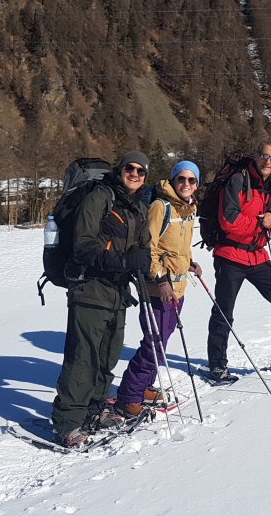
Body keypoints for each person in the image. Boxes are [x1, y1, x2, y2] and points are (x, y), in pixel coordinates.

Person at [51, 151, 152, 448]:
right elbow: (83, 246)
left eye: (141, 171)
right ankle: (67, 422)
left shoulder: (138, 208)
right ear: (120, 169)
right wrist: (122, 261)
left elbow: (143, 247)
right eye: (130, 168)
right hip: (89, 288)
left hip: (118, 293)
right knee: (83, 358)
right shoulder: (99, 198)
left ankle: (95, 409)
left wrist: (143, 262)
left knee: (107, 356)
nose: (134, 174)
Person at [205, 140, 271, 383]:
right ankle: (217, 366)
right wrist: (259, 222)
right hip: (230, 254)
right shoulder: (238, 180)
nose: (268, 161)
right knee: (224, 310)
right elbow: (228, 220)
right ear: (256, 155)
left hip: (258, 255)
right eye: (265, 155)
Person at [114, 161, 203, 417]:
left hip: (178, 286)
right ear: (173, 180)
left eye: (191, 180)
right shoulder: (160, 207)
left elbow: (177, 247)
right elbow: (148, 249)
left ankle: (144, 387)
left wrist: (190, 263)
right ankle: (128, 397)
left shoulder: (188, 207)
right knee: (154, 343)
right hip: (158, 288)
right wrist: (161, 281)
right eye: (181, 178)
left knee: (161, 341)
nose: (186, 184)